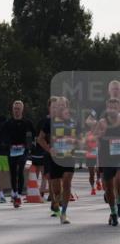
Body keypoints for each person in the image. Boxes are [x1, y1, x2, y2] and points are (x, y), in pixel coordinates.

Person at [37, 96, 79, 224]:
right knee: (56, 189)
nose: (61, 107)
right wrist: (49, 149)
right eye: (58, 105)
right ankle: (57, 202)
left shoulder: (73, 122)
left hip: (68, 157)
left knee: (66, 182)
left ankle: (64, 213)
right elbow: (40, 139)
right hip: (54, 158)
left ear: (67, 107)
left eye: (63, 105)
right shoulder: (49, 122)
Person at [1, 100, 36, 208]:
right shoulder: (8, 123)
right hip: (11, 150)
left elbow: (34, 135)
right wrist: (6, 144)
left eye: (18, 109)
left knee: (20, 169)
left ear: (22, 110)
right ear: (12, 110)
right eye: (15, 109)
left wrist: (30, 146)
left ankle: (19, 195)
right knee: (12, 172)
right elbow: (3, 136)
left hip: (23, 150)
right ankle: (15, 192)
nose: (16, 111)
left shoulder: (27, 122)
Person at [96, 96, 120, 227]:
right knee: (109, 189)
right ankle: (113, 212)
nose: (112, 110)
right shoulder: (102, 122)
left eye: (115, 107)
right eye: (110, 107)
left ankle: (119, 203)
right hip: (106, 157)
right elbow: (97, 140)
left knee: (119, 180)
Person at [84, 115, 101, 195]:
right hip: (90, 154)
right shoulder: (87, 134)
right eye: (92, 126)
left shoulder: (100, 134)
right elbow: (84, 144)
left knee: (98, 170)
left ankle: (98, 180)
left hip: (98, 154)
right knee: (91, 173)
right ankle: (92, 188)